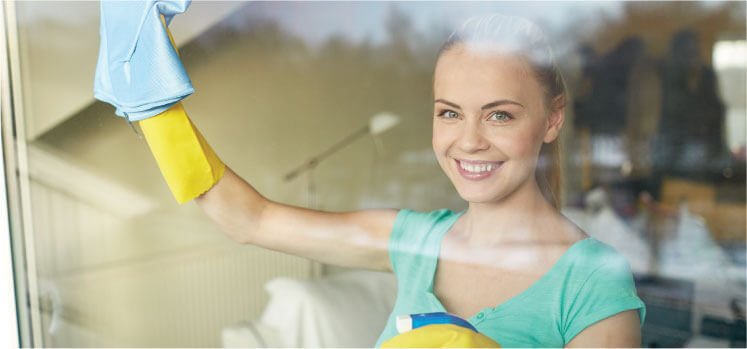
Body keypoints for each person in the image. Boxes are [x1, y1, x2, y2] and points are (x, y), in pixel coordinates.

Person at [97, 8, 645, 347]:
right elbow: (250, 218)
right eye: (449, 112)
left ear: (552, 119)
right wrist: (153, 108)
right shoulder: (414, 240)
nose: (469, 139)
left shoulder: (593, 279)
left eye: (499, 114)